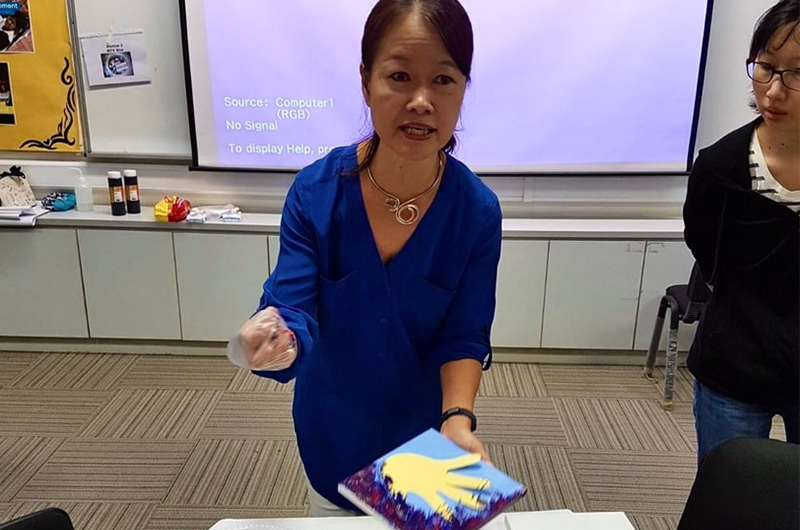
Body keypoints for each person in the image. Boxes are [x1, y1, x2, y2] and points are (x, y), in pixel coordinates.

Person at [228, 0, 502, 516]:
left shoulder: (477, 212)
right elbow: (293, 309)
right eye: (399, 76)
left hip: (427, 438)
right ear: (366, 80)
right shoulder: (316, 193)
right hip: (334, 431)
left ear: (463, 88)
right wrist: (270, 338)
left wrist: (458, 420)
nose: (421, 101)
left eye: (443, 80)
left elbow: (464, 334)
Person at [683, 0, 800, 465]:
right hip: (733, 366)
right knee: (726, 497)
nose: (773, 91)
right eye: (765, 68)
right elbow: (706, 250)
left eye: (796, 73)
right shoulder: (720, 166)